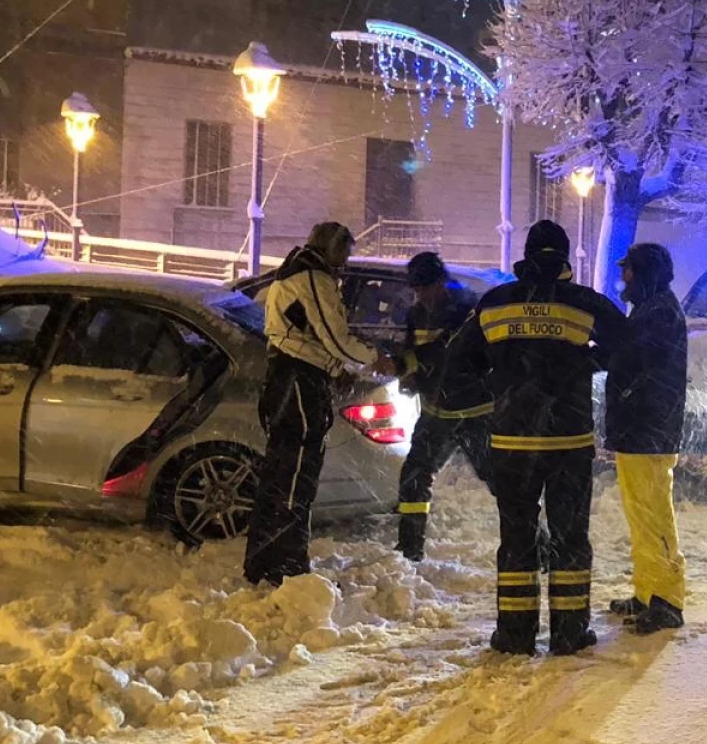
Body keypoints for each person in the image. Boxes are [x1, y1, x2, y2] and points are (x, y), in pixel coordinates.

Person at [446, 220, 628, 656]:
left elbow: (456, 367)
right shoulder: (584, 303)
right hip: (568, 441)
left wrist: (498, 395)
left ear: (526, 255)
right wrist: (586, 363)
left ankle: (515, 634)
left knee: (517, 538)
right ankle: (569, 633)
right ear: (565, 258)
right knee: (569, 538)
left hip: (512, 445)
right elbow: (628, 345)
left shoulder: (495, 303)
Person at [246, 221, 393, 586]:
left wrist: (335, 368)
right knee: (296, 477)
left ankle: (266, 561)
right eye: (344, 252)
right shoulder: (312, 278)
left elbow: (311, 335)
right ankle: (285, 566)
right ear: (331, 247)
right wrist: (373, 357)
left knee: (281, 474)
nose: (346, 260)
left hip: (288, 380)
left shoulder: (295, 272)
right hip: (297, 383)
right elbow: (335, 337)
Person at [604, 243, 689, 635]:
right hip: (639, 430)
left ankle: (667, 600)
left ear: (645, 273)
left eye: (630, 271)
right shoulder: (651, 309)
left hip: (650, 431)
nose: (625, 278)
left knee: (654, 517)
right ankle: (647, 591)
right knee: (641, 515)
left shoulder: (659, 314)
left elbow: (632, 359)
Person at [392, 251, 495, 561]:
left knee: (499, 479)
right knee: (414, 476)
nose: (420, 296)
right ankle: (410, 548)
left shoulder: (466, 311)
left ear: (440, 282)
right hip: (436, 411)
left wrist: (407, 362)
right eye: (416, 290)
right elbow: (416, 351)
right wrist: (410, 377)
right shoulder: (416, 315)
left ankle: (536, 546)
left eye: (424, 288)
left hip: (474, 413)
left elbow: (444, 351)